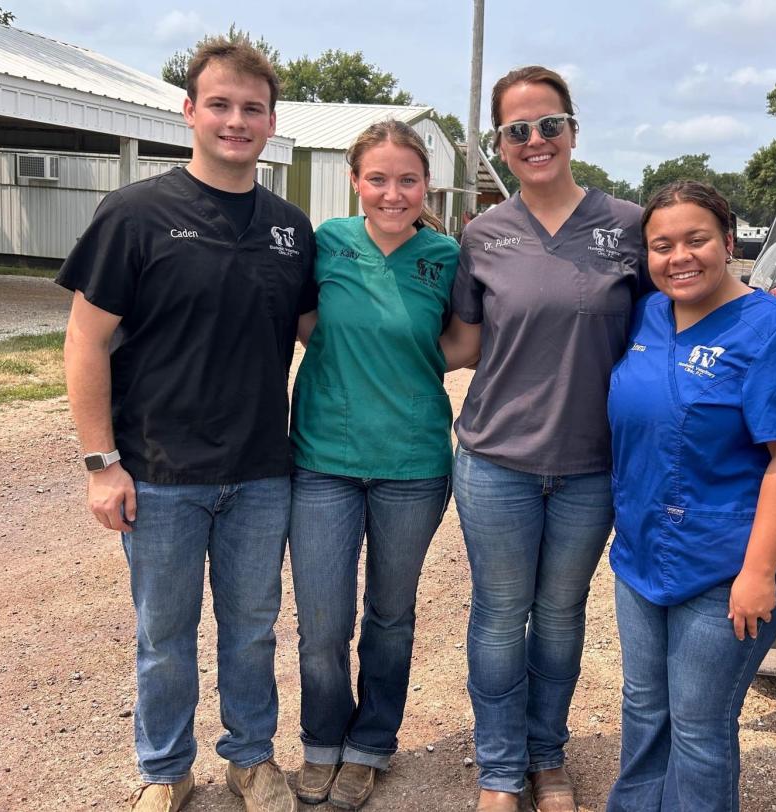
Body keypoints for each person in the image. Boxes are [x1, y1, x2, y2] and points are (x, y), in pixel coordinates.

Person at [58, 38, 314, 812]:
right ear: (190, 111)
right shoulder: (135, 214)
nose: (237, 121)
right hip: (160, 473)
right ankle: (165, 769)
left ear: (271, 122)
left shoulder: (289, 227)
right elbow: (85, 339)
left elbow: (320, 334)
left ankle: (250, 759)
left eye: (252, 108)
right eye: (221, 105)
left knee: (253, 630)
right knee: (163, 640)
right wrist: (101, 462)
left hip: (262, 470)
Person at [439, 66, 649, 812]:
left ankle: (548, 757)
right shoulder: (482, 234)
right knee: (500, 614)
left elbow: (672, 323)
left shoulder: (627, 226)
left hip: (593, 466)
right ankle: (499, 767)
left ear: (573, 129)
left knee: (561, 617)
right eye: (518, 130)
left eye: (549, 124)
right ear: (501, 142)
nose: (536, 141)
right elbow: (459, 344)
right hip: (497, 460)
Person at [604, 181, 776, 812]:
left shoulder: (773, 330)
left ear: (729, 243)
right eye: (662, 245)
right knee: (645, 708)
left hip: (728, 564)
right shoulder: (649, 314)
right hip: (643, 556)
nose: (680, 256)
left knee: (701, 725)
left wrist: (759, 573)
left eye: (696, 239)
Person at [286, 120, 459, 810]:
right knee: (323, 620)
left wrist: (398, 361)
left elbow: (465, 339)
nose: (393, 193)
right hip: (324, 456)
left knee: (391, 614)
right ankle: (322, 740)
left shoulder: (446, 254)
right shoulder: (326, 242)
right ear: (356, 181)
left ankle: (371, 744)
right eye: (378, 179)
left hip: (413, 463)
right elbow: (299, 320)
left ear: (426, 185)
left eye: (407, 179)